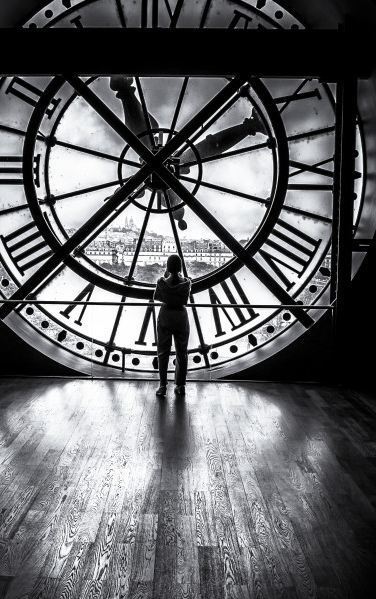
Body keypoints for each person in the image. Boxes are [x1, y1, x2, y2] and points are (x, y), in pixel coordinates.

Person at [109, 76, 268, 230]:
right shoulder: (163, 178)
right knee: (206, 146)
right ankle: (251, 126)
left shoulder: (156, 185)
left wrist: (122, 195)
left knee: (203, 147)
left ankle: (251, 126)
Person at [153, 254, 192, 397]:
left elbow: (156, 297)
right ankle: (180, 385)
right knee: (182, 353)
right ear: (180, 267)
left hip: (165, 316)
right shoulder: (187, 283)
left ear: (167, 267)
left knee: (163, 353)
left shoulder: (161, 282)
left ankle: (162, 386)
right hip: (181, 317)